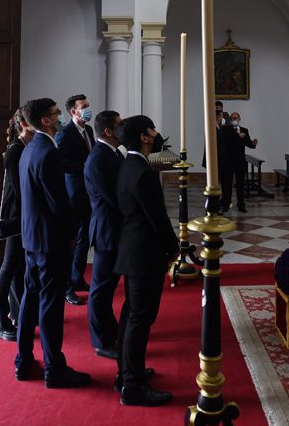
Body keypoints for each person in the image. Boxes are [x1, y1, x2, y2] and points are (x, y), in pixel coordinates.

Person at [15, 98, 91, 388]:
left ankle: (23, 362)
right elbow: (58, 202)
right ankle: (54, 369)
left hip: (32, 237)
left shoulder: (29, 149)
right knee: (50, 305)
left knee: (30, 299)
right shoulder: (47, 152)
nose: (60, 116)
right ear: (45, 121)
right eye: (56, 113)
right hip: (50, 241)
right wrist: (72, 231)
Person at [114, 115, 179, 407]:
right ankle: (133, 386)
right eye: (152, 129)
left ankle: (128, 372)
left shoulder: (129, 165)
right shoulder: (142, 171)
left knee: (132, 315)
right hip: (144, 252)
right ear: (144, 136)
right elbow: (158, 218)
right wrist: (174, 247)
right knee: (140, 319)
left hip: (132, 248)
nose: (156, 133)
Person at [83, 110, 124, 359]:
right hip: (107, 230)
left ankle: (109, 331)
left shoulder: (110, 153)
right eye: (119, 126)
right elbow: (112, 197)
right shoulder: (99, 159)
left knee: (108, 287)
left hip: (113, 229)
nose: (122, 129)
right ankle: (101, 340)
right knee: (101, 289)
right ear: (108, 131)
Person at [0, 110, 33, 341]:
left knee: (19, 269)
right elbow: (18, 189)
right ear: (25, 124)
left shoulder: (24, 146)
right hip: (16, 216)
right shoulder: (16, 149)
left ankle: (18, 312)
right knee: (8, 269)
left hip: (23, 215)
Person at [55, 93, 94, 306]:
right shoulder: (64, 133)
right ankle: (67, 288)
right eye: (84, 106)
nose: (88, 108)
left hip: (88, 191)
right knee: (74, 240)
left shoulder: (88, 129)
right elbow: (64, 165)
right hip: (74, 193)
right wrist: (87, 167)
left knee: (85, 238)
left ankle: (77, 278)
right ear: (73, 111)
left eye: (88, 105)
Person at [224, 111, 258, 212]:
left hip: (240, 161)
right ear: (230, 119)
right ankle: (226, 204)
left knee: (240, 184)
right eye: (232, 118)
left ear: (239, 119)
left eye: (236, 118)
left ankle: (241, 205)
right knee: (227, 184)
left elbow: (249, 144)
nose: (234, 120)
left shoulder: (244, 130)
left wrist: (254, 143)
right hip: (229, 161)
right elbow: (228, 142)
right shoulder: (226, 130)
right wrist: (238, 136)